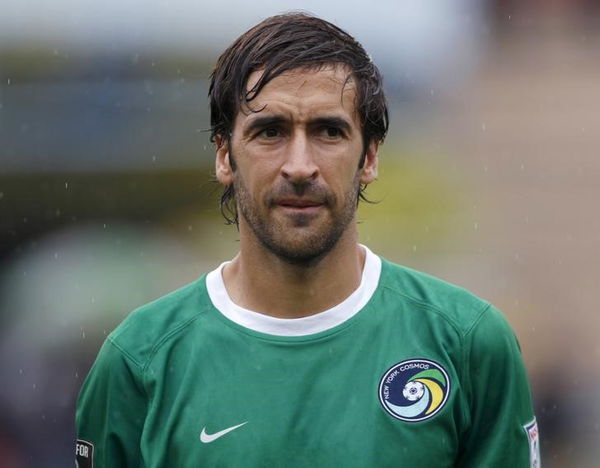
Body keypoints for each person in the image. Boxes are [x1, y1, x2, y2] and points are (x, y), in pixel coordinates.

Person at [75, 13, 539, 467]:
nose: (300, 165)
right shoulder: (139, 358)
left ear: (370, 157)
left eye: (328, 131)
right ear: (224, 156)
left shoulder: (467, 342)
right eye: (270, 131)